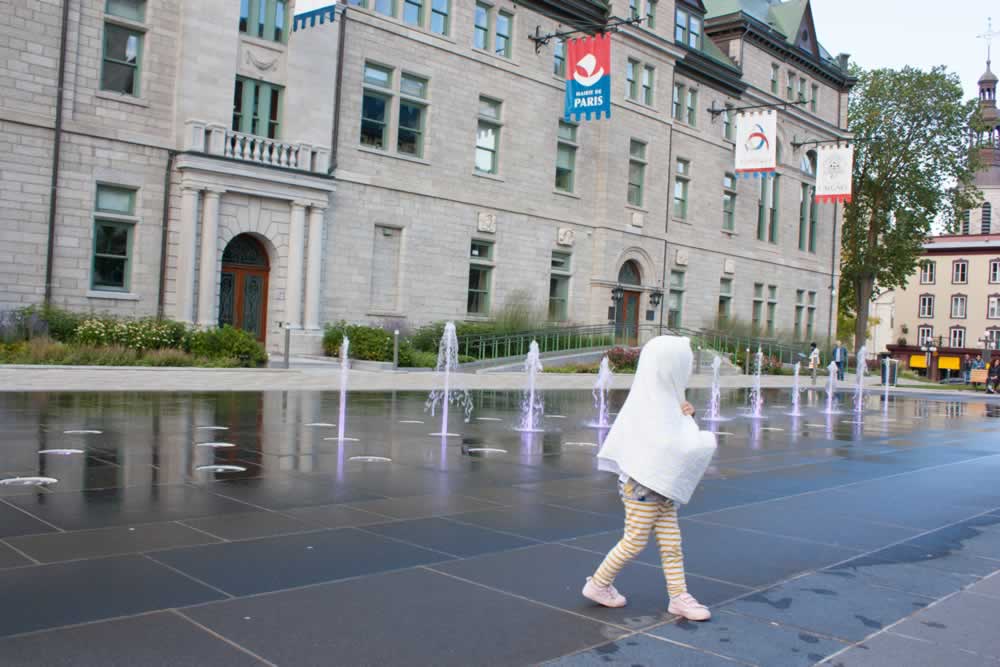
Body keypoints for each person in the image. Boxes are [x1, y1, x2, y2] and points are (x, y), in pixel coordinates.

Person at [582, 336, 716, 622]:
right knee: (634, 540)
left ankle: (679, 596)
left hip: (660, 485)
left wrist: (689, 418)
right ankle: (598, 584)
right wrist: (697, 433)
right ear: (672, 368)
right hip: (642, 485)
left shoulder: (664, 400)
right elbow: (676, 445)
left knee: (671, 544)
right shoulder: (653, 403)